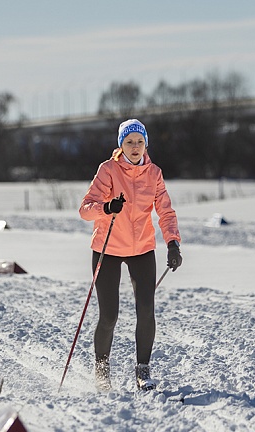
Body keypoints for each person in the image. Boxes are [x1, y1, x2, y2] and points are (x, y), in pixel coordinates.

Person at [79, 118, 182, 391]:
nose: (134, 147)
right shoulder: (109, 170)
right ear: (120, 145)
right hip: (108, 248)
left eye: (139, 141)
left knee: (146, 310)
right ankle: (102, 369)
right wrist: (107, 207)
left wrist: (173, 243)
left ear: (145, 143)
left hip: (142, 249)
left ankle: (143, 370)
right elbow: (85, 208)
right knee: (109, 316)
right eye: (129, 142)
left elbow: (166, 211)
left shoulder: (154, 173)